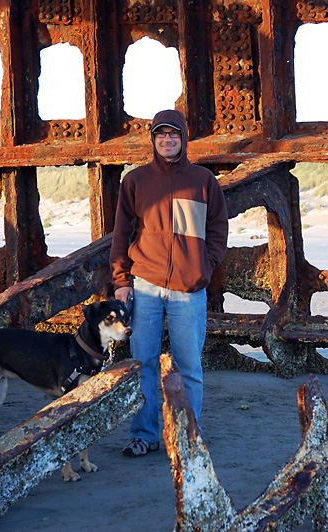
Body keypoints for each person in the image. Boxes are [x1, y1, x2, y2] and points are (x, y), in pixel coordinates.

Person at [110, 109, 229, 457]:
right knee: (143, 362)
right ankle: (144, 434)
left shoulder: (204, 181)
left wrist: (203, 267)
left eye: (173, 134)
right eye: (161, 135)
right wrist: (121, 280)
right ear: (153, 140)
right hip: (145, 285)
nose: (167, 140)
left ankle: (188, 435)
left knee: (188, 365)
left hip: (188, 289)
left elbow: (218, 230)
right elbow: (121, 234)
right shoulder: (135, 181)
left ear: (183, 137)